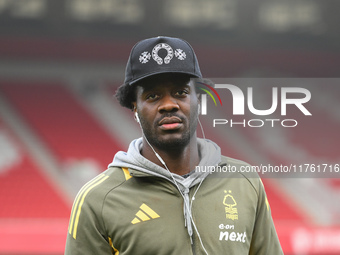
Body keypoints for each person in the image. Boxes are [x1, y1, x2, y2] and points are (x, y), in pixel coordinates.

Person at [65, 36, 283, 254]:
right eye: (152, 96)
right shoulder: (98, 199)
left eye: (181, 92)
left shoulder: (244, 181)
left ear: (199, 98)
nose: (168, 105)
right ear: (135, 108)